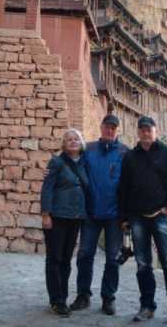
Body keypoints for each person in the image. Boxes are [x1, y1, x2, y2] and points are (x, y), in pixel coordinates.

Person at [119, 116, 167, 327]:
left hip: (161, 217)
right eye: (142, 129)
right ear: (138, 132)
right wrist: (124, 218)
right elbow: (123, 188)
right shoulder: (130, 157)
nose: (145, 133)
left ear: (155, 131)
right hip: (138, 218)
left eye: (148, 129)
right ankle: (147, 306)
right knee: (142, 265)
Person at [70, 114, 129, 315]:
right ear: (101, 127)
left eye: (113, 128)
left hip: (114, 215)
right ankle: (83, 295)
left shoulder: (124, 153)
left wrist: (128, 216)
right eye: (107, 127)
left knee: (112, 258)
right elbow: (72, 165)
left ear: (117, 130)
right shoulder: (90, 150)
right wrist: (52, 171)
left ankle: (108, 298)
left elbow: (132, 182)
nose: (109, 130)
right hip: (91, 212)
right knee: (85, 254)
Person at [40, 128, 89, 317]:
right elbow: (47, 189)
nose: (73, 141)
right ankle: (56, 300)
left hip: (75, 218)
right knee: (54, 259)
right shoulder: (57, 162)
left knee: (67, 260)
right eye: (69, 139)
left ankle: (63, 296)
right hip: (57, 217)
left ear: (82, 142)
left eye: (76, 138)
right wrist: (46, 214)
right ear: (64, 143)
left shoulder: (85, 162)